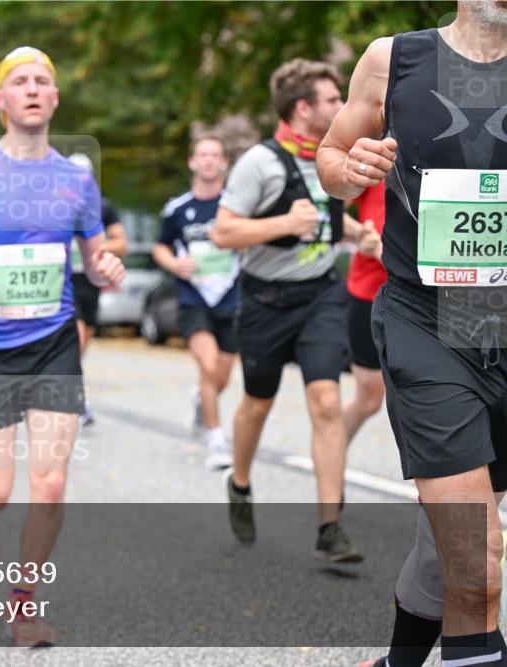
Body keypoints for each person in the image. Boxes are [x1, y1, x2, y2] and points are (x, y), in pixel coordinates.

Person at [316, 2, 507, 664]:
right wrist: (350, 167)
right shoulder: (393, 58)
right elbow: (332, 157)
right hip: (427, 318)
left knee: (448, 546)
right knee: (476, 558)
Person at [0, 46, 125, 647]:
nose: (33, 89)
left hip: (53, 342)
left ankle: (23, 605)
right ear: (1, 100)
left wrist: (108, 268)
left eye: (42, 81)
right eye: (20, 82)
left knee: (51, 483)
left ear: (55, 99)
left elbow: (95, 259)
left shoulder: (77, 180)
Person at [210, 58, 367, 561]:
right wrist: (282, 224)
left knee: (325, 402)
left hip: (320, 295)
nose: (341, 106)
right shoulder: (260, 162)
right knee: (257, 404)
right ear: (303, 109)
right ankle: (239, 481)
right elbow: (224, 231)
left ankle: (330, 526)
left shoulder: (330, 157)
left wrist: (358, 234)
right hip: (264, 302)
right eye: (331, 100)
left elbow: (323, 218)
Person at [153, 133, 239, 470]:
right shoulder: (177, 209)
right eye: (202, 154)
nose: (208, 160)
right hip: (194, 297)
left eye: (214, 154)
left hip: (230, 295)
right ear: (192, 162)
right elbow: (161, 246)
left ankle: (202, 400)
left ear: (223, 163)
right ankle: (216, 439)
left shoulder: (236, 204)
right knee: (208, 365)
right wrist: (175, 264)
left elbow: (250, 235)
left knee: (223, 376)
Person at [66, 152, 127, 426]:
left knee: (85, 337)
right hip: (65, 279)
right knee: (76, 337)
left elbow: (121, 244)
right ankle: (75, 398)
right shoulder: (57, 207)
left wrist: (94, 247)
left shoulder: (102, 206)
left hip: (91, 281)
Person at [342, 182, 387, 445]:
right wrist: (361, 233)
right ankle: (329, 455)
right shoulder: (381, 156)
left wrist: (385, 252)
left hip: (435, 296)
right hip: (369, 293)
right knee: (369, 399)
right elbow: (327, 209)